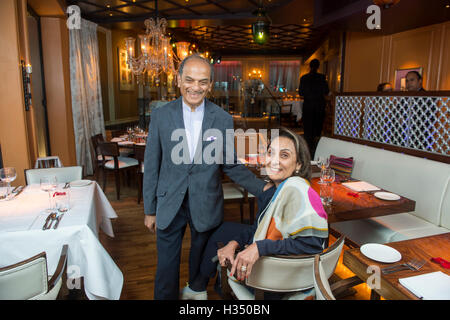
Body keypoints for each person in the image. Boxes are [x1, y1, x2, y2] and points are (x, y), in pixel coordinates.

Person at [143, 54, 271, 300]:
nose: (195, 87)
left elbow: (230, 164)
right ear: (179, 80)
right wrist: (150, 209)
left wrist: (263, 188)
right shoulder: (161, 116)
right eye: (189, 80)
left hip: (206, 202)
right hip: (169, 202)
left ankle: (194, 294)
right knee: (166, 267)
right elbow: (152, 165)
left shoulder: (222, 119)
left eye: (203, 82)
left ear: (210, 85)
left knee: (200, 262)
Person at [186, 127, 329, 299]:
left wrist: (259, 247)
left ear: (299, 164)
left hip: (278, 281)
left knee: (222, 241)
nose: (274, 161)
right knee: (223, 233)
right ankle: (201, 287)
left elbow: (312, 245)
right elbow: (258, 228)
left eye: (284, 155)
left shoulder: (296, 188)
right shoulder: (276, 190)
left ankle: (198, 288)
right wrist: (234, 243)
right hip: (274, 273)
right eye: (271, 153)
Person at [299, 59, 329, 156]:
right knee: (317, 129)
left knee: (308, 129)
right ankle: (316, 151)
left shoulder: (304, 78)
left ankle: (307, 151)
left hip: (308, 106)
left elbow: (301, 93)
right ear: (318, 66)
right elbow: (326, 91)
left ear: (309, 66)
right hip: (319, 106)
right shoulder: (322, 77)